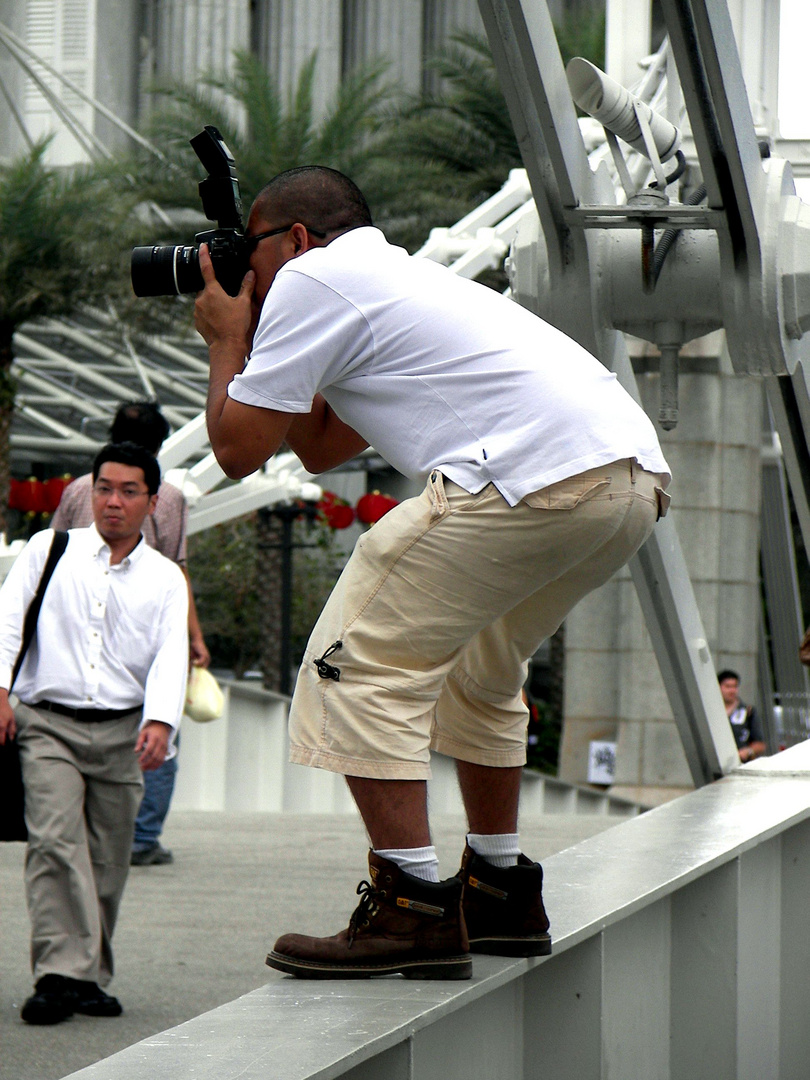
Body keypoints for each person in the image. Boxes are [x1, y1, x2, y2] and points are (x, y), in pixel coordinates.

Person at [193, 165, 671, 980]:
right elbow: (314, 446)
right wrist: (261, 338)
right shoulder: (396, 279)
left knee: (355, 666)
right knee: (479, 673)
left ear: (299, 238)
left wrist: (224, 339)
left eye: (252, 246)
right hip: (627, 483)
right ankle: (498, 888)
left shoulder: (312, 277)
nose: (245, 265)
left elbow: (238, 453)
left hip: (531, 479)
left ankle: (410, 905)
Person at [0, 442, 189, 1024]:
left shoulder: (163, 578)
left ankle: (88, 976)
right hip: (46, 725)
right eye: (104, 488)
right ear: (89, 492)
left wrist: (161, 721)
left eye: (129, 491)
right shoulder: (48, 549)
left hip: (121, 732)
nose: (113, 502)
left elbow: (170, 654)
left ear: (151, 502)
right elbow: (8, 616)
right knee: (56, 845)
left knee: (108, 860)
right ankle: (58, 975)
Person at [52, 401, 210, 866]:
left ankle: (80, 829)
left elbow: (54, 557)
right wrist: (194, 637)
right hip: (145, 629)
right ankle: (141, 839)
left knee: (81, 723)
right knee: (158, 726)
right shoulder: (168, 496)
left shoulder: (82, 489)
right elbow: (177, 570)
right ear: (160, 445)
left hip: (78, 627)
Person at [717, 669, 766, 762]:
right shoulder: (712, 711)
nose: (732, 691)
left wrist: (748, 751)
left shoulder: (748, 712)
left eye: (735, 686)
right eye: (728, 686)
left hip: (739, 763)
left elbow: (760, 744)